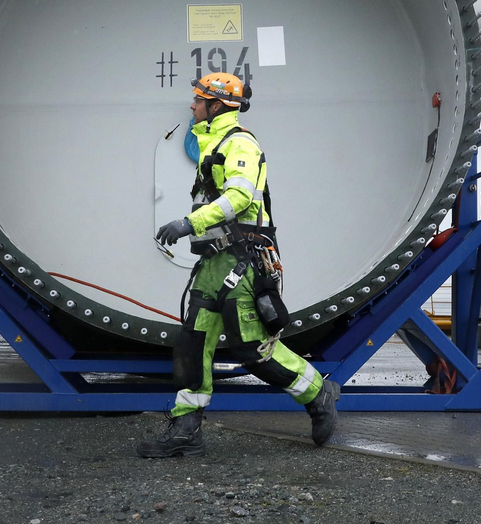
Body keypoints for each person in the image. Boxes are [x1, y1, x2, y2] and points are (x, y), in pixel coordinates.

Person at [137, 71, 339, 458]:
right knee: (193, 341)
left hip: (244, 259)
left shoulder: (240, 143)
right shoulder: (213, 144)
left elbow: (240, 198)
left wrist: (188, 223)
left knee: (251, 347)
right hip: (215, 260)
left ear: (216, 106)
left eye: (198, 100)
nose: (192, 106)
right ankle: (187, 428)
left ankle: (318, 393)